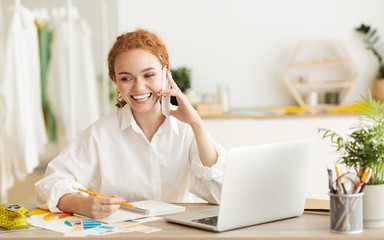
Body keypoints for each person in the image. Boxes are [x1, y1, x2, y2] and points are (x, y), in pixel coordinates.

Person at [35, 29, 226, 220]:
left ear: (165, 73)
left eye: (149, 75)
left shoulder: (186, 129)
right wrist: (83, 204)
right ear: (115, 80)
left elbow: (221, 193)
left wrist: (196, 123)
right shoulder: (101, 133)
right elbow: (50, 183)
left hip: (178, 232)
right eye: (126, 78)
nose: (139, 87)